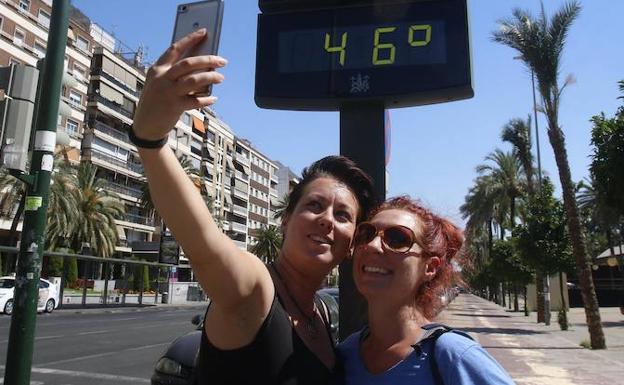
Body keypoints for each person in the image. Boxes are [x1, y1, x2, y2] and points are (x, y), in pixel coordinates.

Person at [131, 29, 377, 384]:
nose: (327, 220)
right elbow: (206, 247)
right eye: (315, 205)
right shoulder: (256, 291)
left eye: (343, 215)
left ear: (352, 242)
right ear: (285, 222)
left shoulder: (320, 313)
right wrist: (151, 141)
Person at [337, 196, 515, 385]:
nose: (372, 246)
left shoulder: (454, 356)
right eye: (366, 234)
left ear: (430, 267)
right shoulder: (344, 354)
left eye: (397, 239)